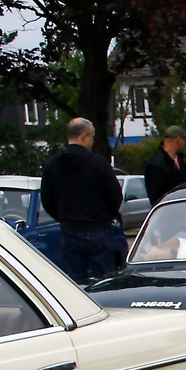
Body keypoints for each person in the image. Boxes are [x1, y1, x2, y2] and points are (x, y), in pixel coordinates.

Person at [39, 117, 124, 282]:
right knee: (105, 280)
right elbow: (115, 195)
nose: (93, 141)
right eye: (92, 136)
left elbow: (47, 199)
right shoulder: (99, 164)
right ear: (83, 136)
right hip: (99, 229)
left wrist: (63, 216)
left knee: (75, 282)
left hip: (70, 229)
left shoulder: (52, 165)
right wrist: (106, 216)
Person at [144, 125, 186, 205]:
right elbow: (156, 199)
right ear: (178, 140)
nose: (185, 144)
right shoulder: (156, 165)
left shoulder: (180, 161)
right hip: (169, 212)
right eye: (184, 140)